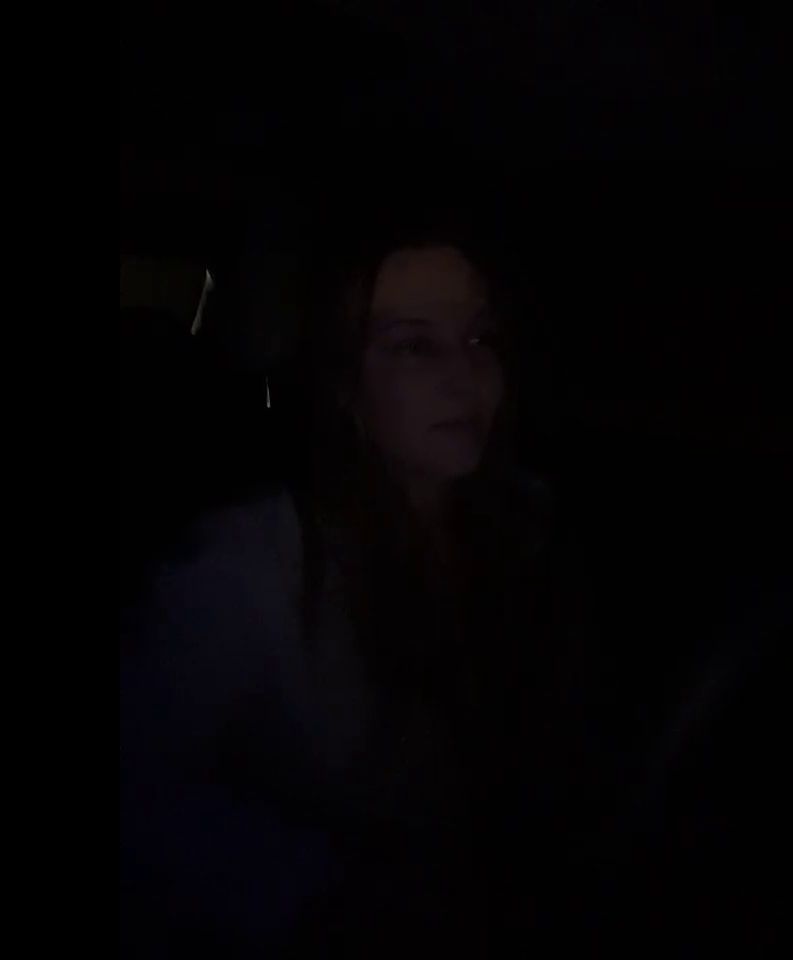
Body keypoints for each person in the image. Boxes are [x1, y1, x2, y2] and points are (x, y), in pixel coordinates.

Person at [121, 221, 574, 957]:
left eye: (480, 338)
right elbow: (139, 783)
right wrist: (321, 896)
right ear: (344, 386)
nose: (466, 376)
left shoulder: (527, 530)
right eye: (416, 346)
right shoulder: (249, 568)